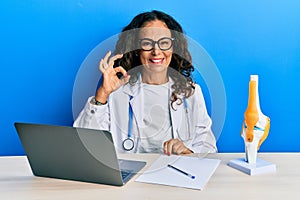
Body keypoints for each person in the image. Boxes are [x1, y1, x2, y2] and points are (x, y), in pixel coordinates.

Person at [74, 10, 217, 155]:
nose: (156, 51)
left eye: (164, 43)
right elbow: (86, 145)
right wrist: (102, 94)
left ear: (174, 48)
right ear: (137, 49)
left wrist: (188, 152)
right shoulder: (117, 92)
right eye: (147, 43)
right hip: (130, 176)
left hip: (176, 173)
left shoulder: (191, 93)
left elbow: (209, 148)